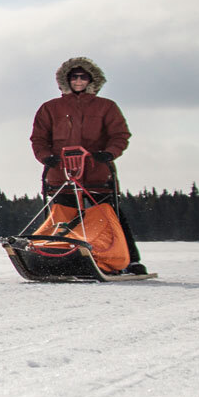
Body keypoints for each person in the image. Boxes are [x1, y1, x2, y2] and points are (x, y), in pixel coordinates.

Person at [29, 56, 144, 274]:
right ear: (66, 80)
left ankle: (130, 260)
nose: (79, 81)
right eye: (74, 77)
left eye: (83, 77)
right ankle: (54, 258)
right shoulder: (50, 108)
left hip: (97, 176)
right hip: (61, 175)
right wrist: (46, 157)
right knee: (61, 220)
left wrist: (109, 154)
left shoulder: (106, 107)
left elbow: (120, 135)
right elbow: (39, 138)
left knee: (112, 218)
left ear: (92, 80)